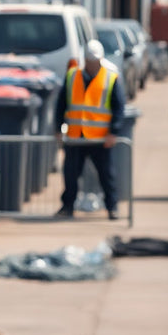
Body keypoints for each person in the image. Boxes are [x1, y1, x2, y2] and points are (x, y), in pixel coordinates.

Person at [54, 39, 127, 220]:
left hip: (99, 138)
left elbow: (119, 108)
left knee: (106, 175)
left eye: (95, 62)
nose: (92, 65)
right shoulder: (72, 76)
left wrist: (113, 132)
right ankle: (67, 206)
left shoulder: (110, 78)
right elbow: (61, 104)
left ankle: (112, 207)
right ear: (85, 60)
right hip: (76, 136)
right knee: (70, 175)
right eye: (89, 61)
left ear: (100, 60)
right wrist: (58, 128)